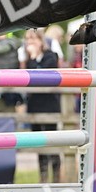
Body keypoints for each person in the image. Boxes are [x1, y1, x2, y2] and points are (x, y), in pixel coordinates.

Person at [21, 29, 63, 183]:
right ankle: (43, 177)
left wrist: (33, 59)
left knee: (52, 141)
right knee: (38, 142)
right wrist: (29, 59)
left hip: (49, 105)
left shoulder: (51, 56)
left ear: (41, 41)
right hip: (34, 105)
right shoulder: (27, 59)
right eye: (28, 40)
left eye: (33, 40)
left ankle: (56, 177)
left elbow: (43, 76)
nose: (30, 44)